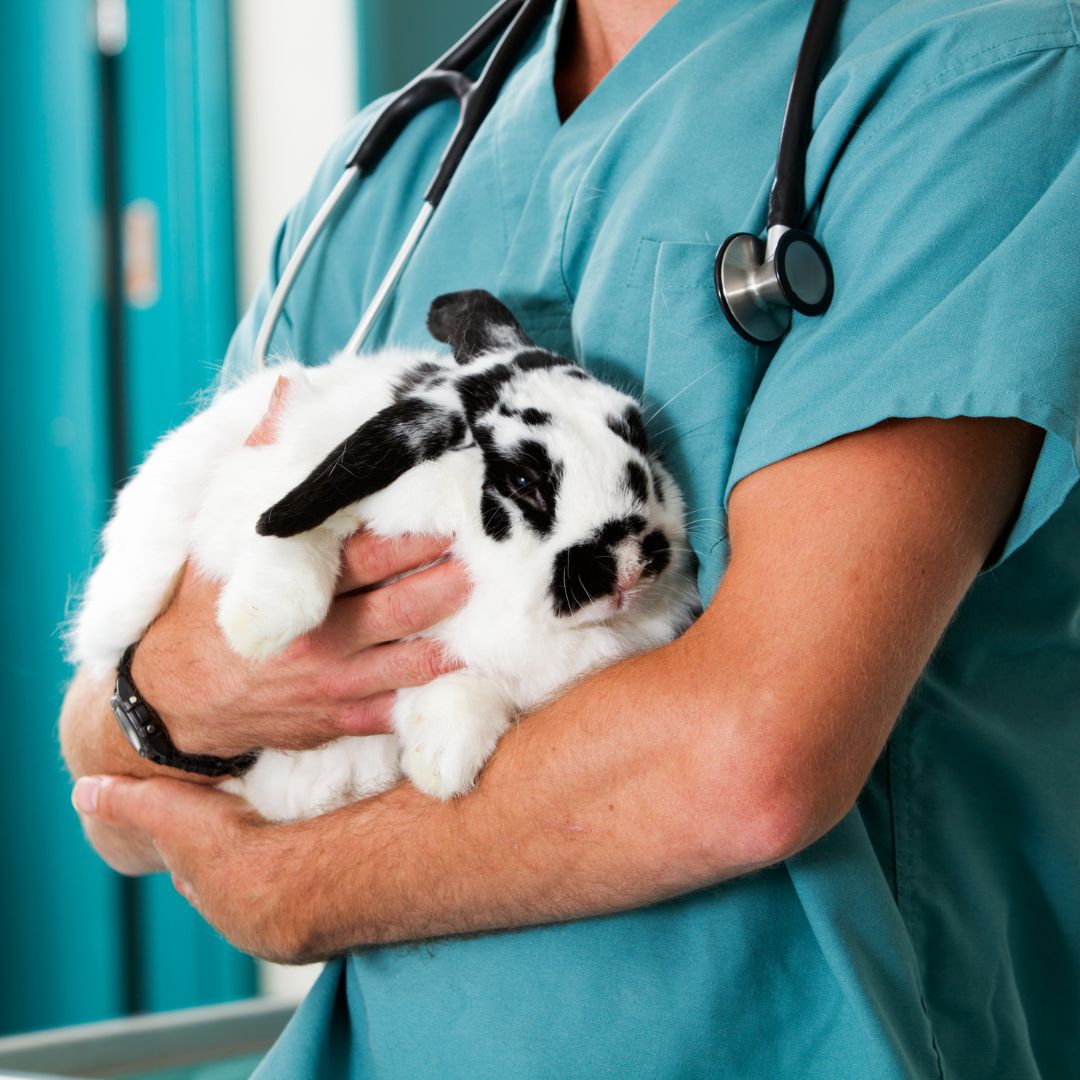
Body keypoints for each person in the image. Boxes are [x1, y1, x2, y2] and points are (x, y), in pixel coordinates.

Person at [60, 0, 1080, 1076]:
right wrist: (171, 694)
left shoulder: (975, 76)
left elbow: (750, 758)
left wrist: (290, 887)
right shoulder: (386, 169)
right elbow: (104, 786)